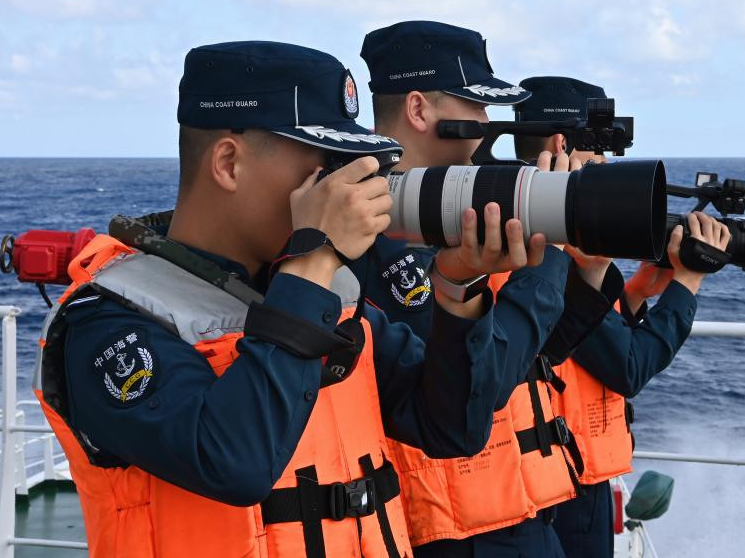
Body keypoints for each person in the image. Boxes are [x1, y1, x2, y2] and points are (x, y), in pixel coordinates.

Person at [33, 40, 571, 558]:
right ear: (228, 163)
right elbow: (235, 463)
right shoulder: (107, 324)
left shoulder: (328, 299)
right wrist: (315, 259)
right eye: (323, 168)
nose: (343, 190)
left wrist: (458, 288)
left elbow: (451, 425)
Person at [354, 21, 663, 558]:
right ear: (419, 110)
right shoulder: (370, 239)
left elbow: (532, 362)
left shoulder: (451, 219)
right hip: (449, 531)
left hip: (517, 512)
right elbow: (482, 383)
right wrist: (551, 252)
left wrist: (586, 275)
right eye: (474, 108)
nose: (485, 126)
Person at [514, 75, 730, 557]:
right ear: (561, 145)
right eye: (601, 156)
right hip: (565, 486)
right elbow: (626, 366)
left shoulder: (526, 231)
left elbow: (577, 344)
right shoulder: (552, 247)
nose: (609, 170)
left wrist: (635, 293)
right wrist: (688, 284)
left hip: (556, 471)